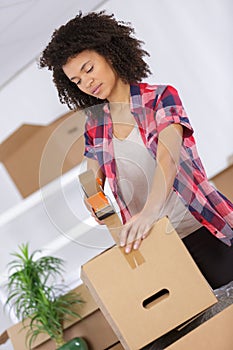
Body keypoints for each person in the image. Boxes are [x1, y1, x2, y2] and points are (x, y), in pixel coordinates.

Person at [39, 11, 233, 290]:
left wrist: (148, 214)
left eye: (88, 68)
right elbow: (90, 174)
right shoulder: (96, 125)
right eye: (77, 81)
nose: (87, 83)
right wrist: (92, 196)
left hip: (203, 229)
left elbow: (169, 159)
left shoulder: (160, 98)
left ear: (109, 53)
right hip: (159, 249)